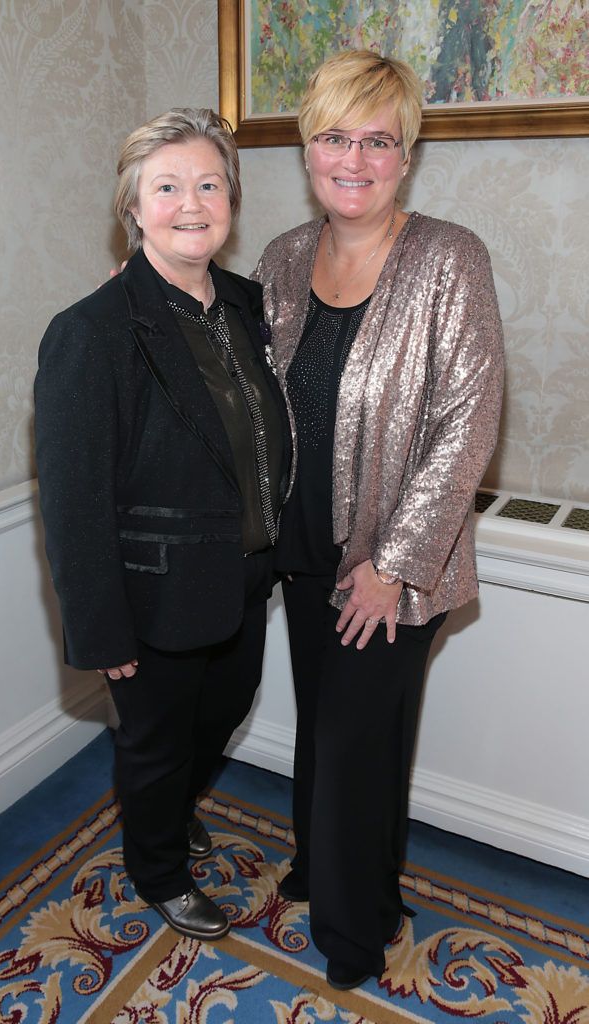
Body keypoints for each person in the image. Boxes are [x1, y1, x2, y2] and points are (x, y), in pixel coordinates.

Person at [253, 51, 504, 990]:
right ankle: (327, 866)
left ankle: (353, 931)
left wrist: (393, 564)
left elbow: (466, 422)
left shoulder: (448, 257)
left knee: (355, 742)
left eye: (376, 140)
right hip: (306, 554)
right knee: (331, 724)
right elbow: (254, 391)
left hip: (404, 564)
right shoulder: (281, 256)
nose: (351, 158)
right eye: (332, 136)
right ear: (305, 145)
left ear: (406, 154)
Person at [34, 108, 292, 943]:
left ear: (232, 201)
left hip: (245, 576)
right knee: (153, 745)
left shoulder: (254, 306)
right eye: (168, 186)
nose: (192, 202)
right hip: (151, 597)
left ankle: (175, 810)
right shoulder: (91, 332)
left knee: (223, 713)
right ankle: (159, 870)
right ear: (134, 208)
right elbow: (73, 500)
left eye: (209, 184)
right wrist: (99, 628)